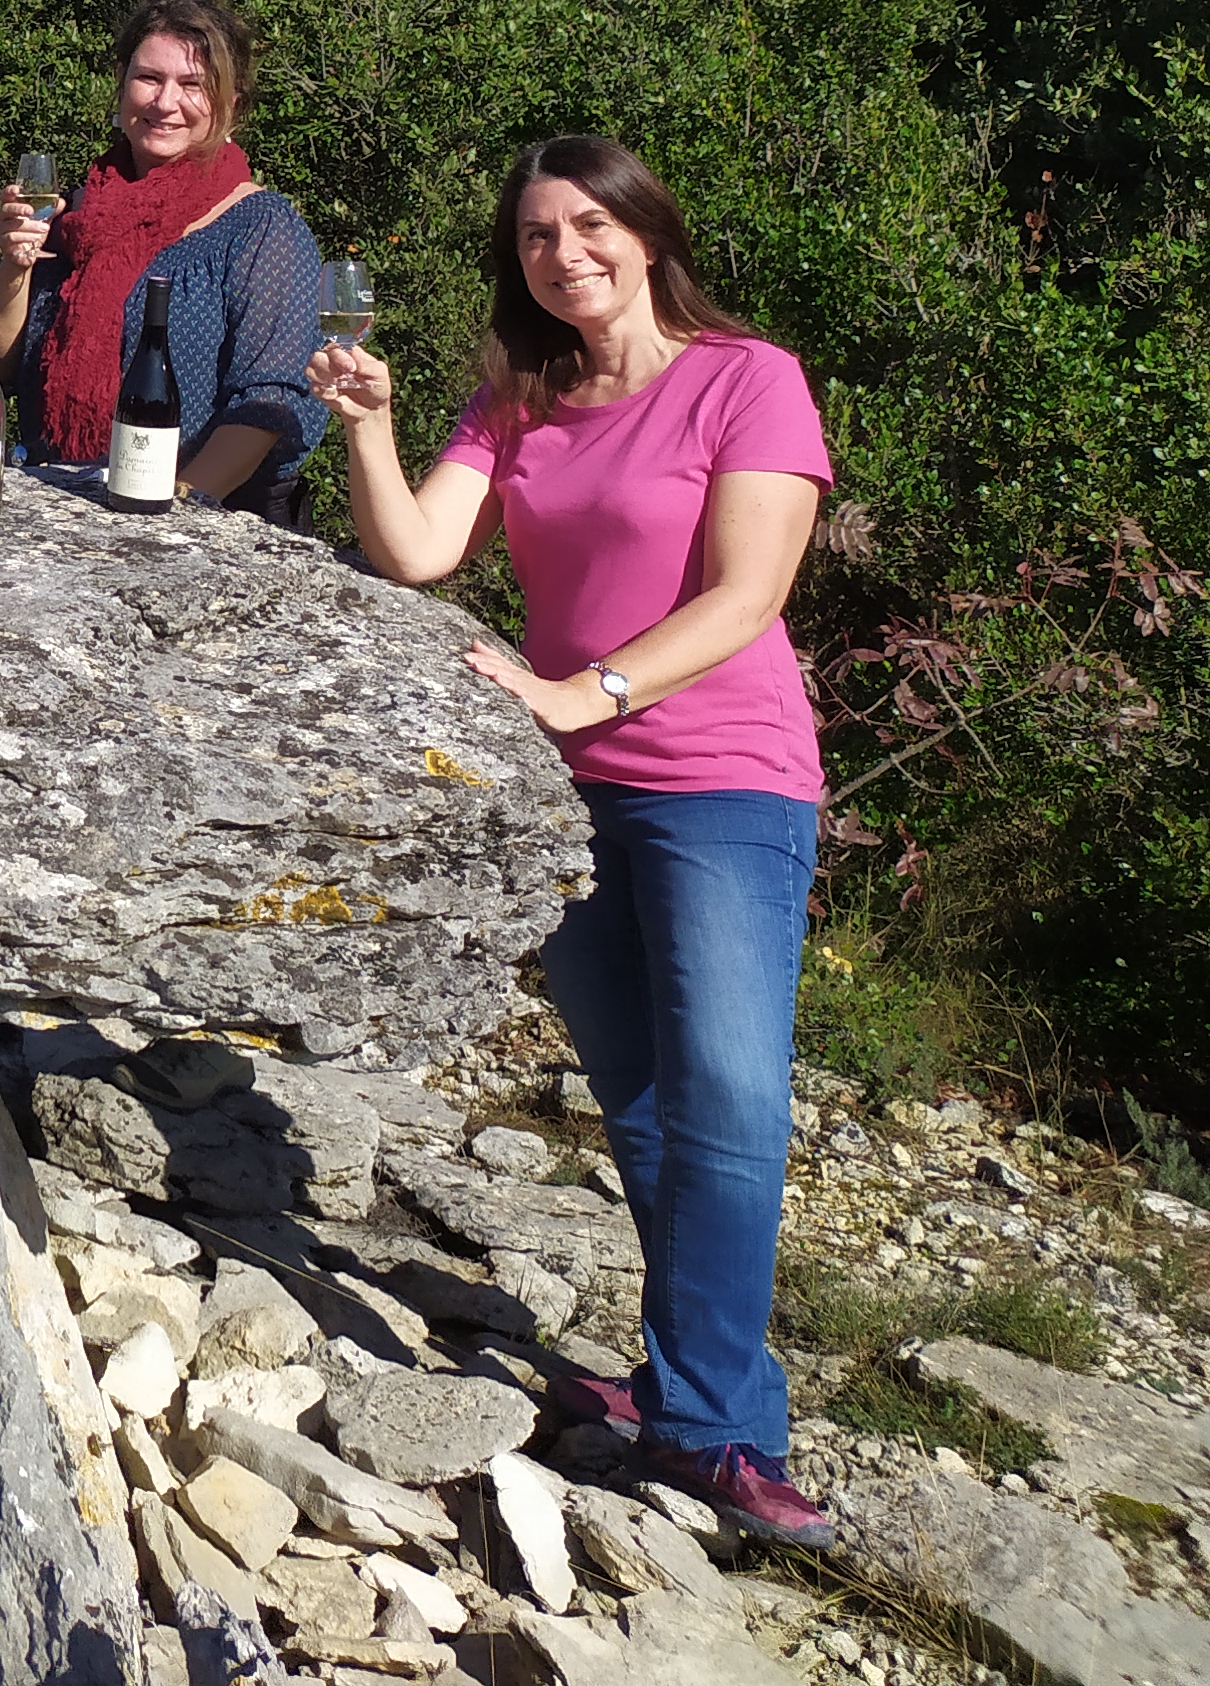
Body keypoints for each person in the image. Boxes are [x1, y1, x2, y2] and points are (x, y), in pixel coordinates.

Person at [317, 136, 837, 1551]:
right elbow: (422, 552)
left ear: (645, 232)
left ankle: (718, 1431)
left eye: (590, 226)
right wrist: (367, 423)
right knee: (651, 1110)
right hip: (573, 797)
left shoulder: (748, 378)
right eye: (539, 236)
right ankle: (689, 1396)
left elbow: (745, 596)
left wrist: (576, 691)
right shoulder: (520, 394)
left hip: (723, 780)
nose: (566, 255)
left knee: (728, 1101)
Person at [0, 0, 324, 513]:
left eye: (193, 84)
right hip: (58, 504)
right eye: (149, 78)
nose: (166, 102)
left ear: (230, 107)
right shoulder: (75, 212)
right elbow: (1, 370)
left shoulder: (261, 228)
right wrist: (14, 266)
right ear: (122, 89)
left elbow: (267, 404)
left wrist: (172, 511)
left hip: (196, 523)